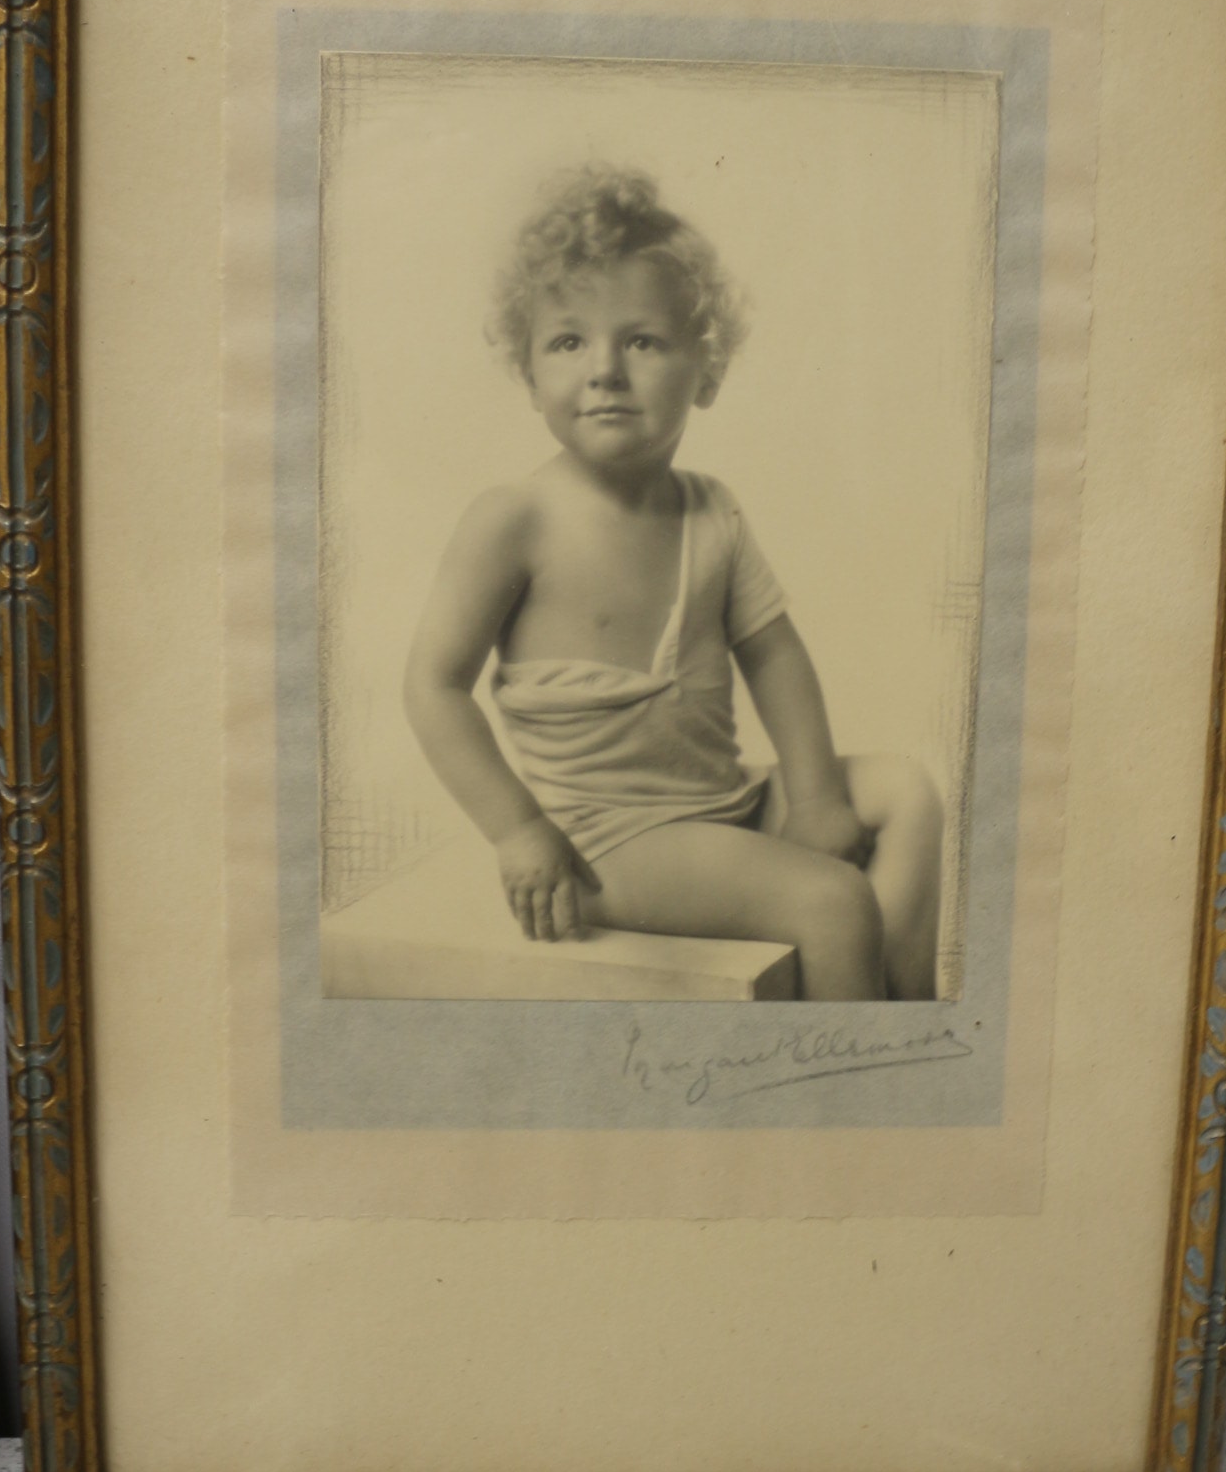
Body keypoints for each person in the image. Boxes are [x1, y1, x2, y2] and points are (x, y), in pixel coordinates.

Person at [402, 164, 942, 1000]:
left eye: (643, 341)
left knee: (907, 792)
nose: (605, 370)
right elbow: (433, 687)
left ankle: (903, 1021)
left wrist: (812, 798)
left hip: (721, 803)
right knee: (833, 901)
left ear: (708, 370)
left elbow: (776, 657)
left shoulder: (710, 510)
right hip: (609, 845)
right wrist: (518, 830)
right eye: (568, 342)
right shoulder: (515, 518)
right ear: (530, 375)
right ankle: (854, 1066)